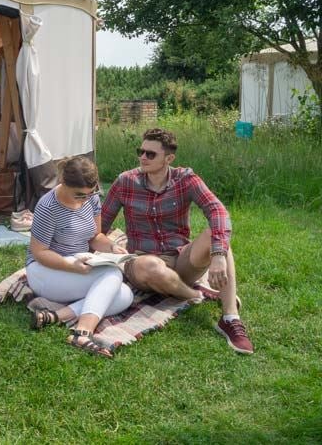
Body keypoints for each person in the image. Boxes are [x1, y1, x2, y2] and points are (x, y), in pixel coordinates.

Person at [101, 128, 254, 354]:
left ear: (169, 158)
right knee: (150, 265)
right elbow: (100, 224)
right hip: (143, 261)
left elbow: (218, 211)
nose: (142, 157)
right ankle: (197, 295)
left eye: (150, 154)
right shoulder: (125, 181)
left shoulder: (186, 179)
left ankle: (230, 317)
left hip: (180, 257)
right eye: (140, 151)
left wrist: (218, 255)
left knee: (217, 236)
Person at [26, 156, 133, 358]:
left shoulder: (91, 199)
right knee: (112, 276)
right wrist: (72, 266)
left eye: (89, 194)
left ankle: (55, 316)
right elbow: (39, 253)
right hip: (45, 270)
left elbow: (94, 237)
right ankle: (82, 333)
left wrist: (111, 246)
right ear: (63, 183)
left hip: (78, 264)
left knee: (125, 295)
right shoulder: (47, 206)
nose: (85, 199)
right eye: (79, 195)